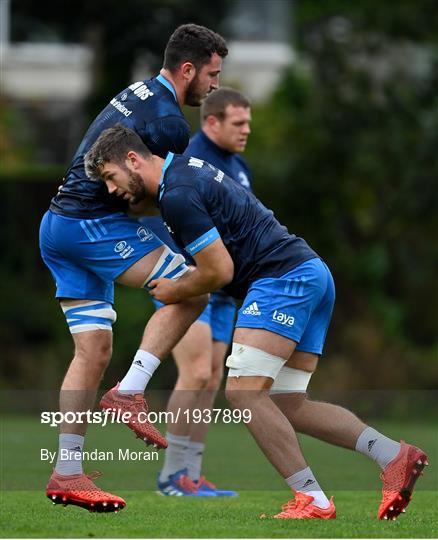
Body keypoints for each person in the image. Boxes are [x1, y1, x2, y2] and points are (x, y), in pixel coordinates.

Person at [84, 124, 429, 520]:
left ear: (132, 159)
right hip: (310, 272)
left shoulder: (176, 194)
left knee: (244, 394)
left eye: (110, 177)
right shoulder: (184, 172)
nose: (111, 190)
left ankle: (313, 500)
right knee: (289, 403)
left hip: (282, 280)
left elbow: (219, 271)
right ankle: (394, 456)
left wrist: (173, 290)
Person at [39, 23, 228, 512]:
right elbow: (152, 194)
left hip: (57, 226)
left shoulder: (139, 90)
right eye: (211, 75)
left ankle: (68, 472)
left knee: (93, 350)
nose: (213, 88)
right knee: (195, 289)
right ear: (188, 69)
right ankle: (132, 391)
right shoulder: (169, 123)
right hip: (90, 228)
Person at [140, 88, 252, 496]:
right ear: (212, 122)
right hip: (189, 279)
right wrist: (179, 265)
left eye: (248, 123)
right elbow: (158, 209)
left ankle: (191, 473)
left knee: (211, 379)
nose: (246, 131)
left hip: (223, 287)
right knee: (196, 370)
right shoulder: (185, 157)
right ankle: (170, 477)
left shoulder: (238, 167)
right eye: (238, 123)